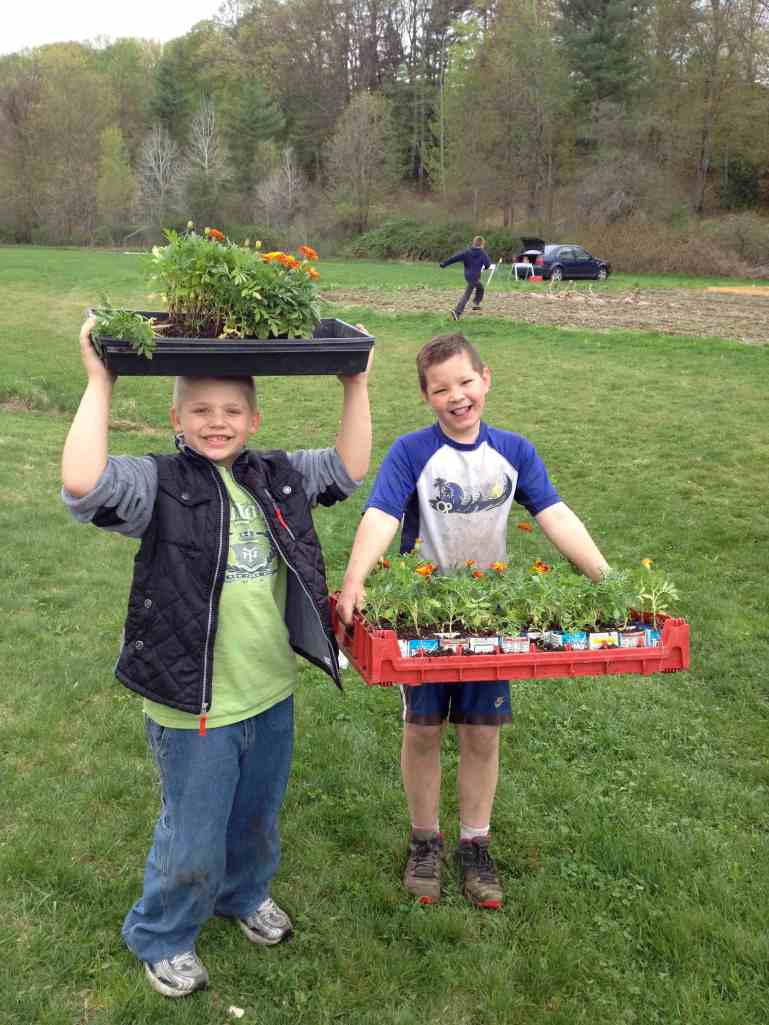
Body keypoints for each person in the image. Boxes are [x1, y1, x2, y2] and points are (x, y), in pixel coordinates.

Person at [61, 318, 372, 998]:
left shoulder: (276, 476)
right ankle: (164, 934)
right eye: (200, 410)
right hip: (193, 699)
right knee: (193, 834)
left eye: (232, 410)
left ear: (254, 419)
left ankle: (243, 894)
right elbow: (84, 484)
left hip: (268, 690)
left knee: (256, 816)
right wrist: (100, 380)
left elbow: (348, 470)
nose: (217, 422)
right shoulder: (160, 482)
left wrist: (354, 382)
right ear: (176, 419)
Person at [336, 332, 608, 909]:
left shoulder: (514, 451)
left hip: (489, 620)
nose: (456, 396)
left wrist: (605, 580)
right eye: (441, 389)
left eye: (465, 382)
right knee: (423, 730)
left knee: (482, 734)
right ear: (426, 397)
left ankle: (475, 845)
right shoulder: (411, 452)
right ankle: (424, 842)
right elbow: (382, 514)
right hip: (424, 618)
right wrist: (356, 578)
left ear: (486, 379)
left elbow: (555, 514)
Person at [439, 235, 492, 320]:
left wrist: (444, 264)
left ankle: (476, 303)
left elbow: (454, 258)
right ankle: (457, 312)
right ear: (482, 244)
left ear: (473, 243)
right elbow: (488, 264)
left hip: (468, 275)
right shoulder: (482, 253)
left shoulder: (467, 252)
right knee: (467, 295)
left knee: (480, 288)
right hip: (475, 276)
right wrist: (485, 267)